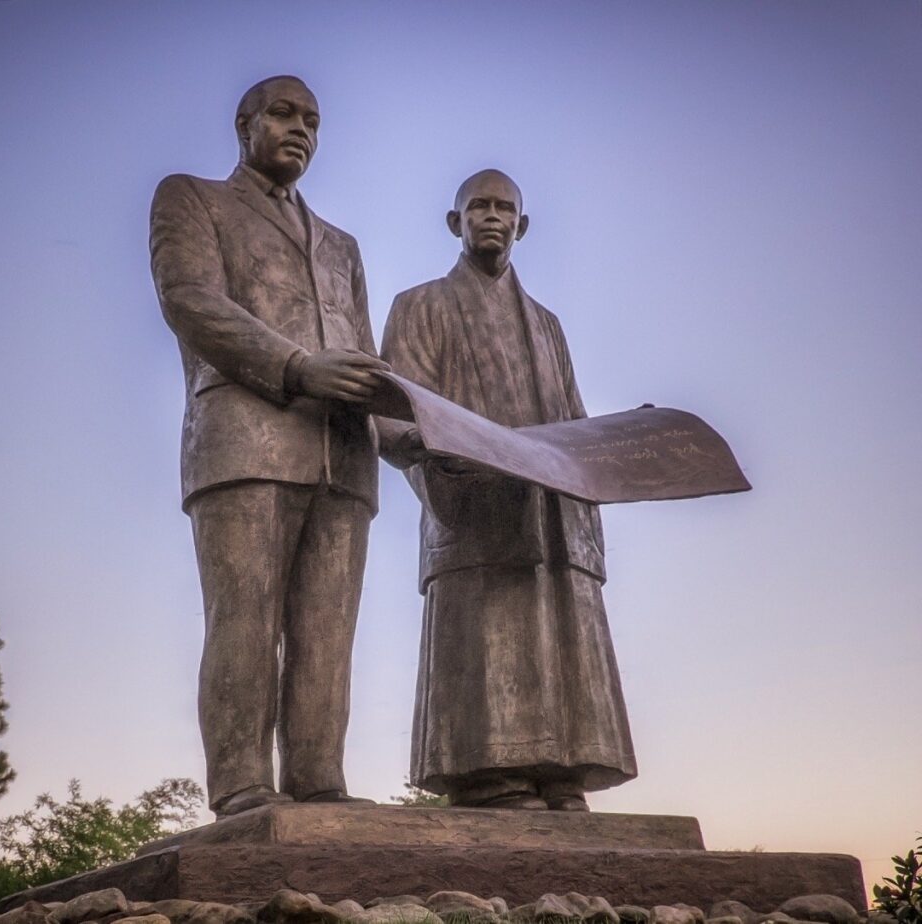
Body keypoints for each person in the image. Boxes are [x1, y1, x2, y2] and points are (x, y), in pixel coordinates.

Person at [150, 76, 388, 817]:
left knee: (326, 632)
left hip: (343, 458)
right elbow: (190, 300)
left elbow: (365, 351)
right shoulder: (192, 198)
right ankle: (243, 785)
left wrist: (419, 430)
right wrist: (296, 367)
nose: (301, 130)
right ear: (244, 123)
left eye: (313, 121)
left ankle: (319, 780)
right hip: (244, 442)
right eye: (284, 114)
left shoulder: (342, 246)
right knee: (245, 618)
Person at [380, 169, 637, 810]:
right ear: (454, 221)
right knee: (486, 624)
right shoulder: (422, 305)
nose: (491, 216)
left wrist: (604, 457)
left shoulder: (546, 325)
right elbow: (391, 412)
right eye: (478, 206)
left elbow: (573, 417)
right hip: (471, 504)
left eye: (504, 208)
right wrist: (443, 459)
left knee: (559, 627)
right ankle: (493, 775)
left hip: (552, 513)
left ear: (521, 225)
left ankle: (564, 772)